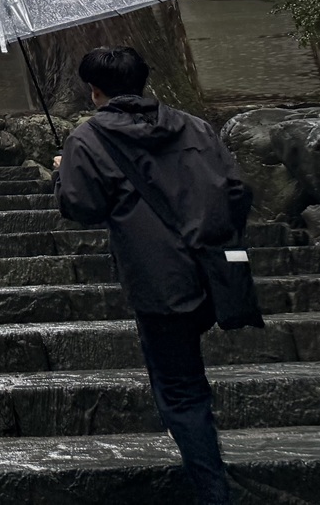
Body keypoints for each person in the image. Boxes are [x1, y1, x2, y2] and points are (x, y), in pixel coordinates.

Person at [54, 47, 253, 505]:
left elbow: (82, 207)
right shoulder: (195, 126)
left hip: (158, 281)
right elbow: (237, 189)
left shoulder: (87, 139)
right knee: (187, 380)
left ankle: (213, 491)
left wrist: (61, 177)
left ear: (94, 90)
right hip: (215, 270)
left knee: (181, 391)